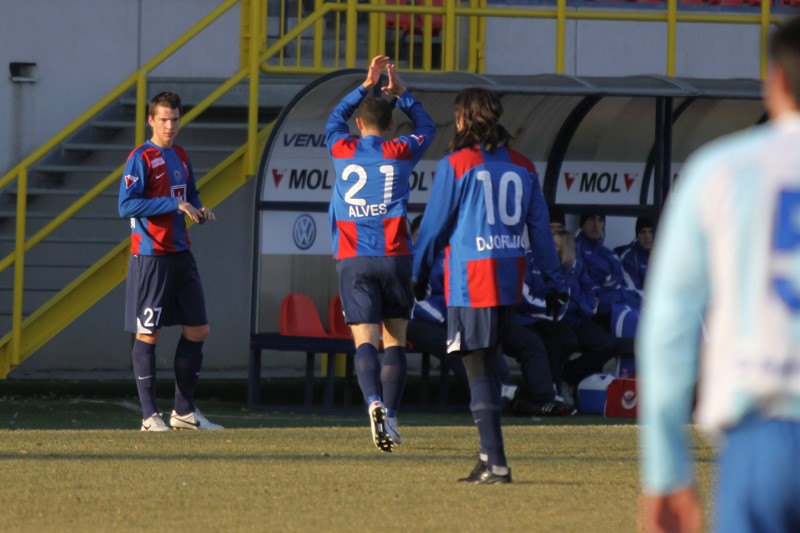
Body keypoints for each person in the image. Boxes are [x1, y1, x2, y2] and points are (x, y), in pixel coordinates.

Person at [638, 17, 800, 533]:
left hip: (766, 437)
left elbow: (668, 326)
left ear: (776, 81)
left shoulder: (721, 170)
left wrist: (666, 470)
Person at [412, 87, 568, 484]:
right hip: (508, 280)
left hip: (472, 280)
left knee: (477, 368)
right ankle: (488, 458)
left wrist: (417, 275)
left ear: (462, 119)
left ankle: (496, 463)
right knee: (487, 365)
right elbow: (541, 233)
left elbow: (432, 229)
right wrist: (555, 283)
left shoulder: (456, 164)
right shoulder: (524, 166)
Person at [326, 55, 434, 452]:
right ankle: (391, 414)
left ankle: (372, 402)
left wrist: (365, 85)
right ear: (390, 127)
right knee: (396, 340)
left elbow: (334, 118)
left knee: (365, 341)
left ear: (359, 125)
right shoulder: (401, 150)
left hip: (354, 257)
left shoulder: (341, 147)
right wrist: (401, 93)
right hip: (395, 255)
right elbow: (426, 127)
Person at [118, 91, 223, 431]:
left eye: (175, 119)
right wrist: (172, 204)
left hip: (181, 253)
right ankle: (150, 416)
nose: (169, 126)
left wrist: (199, 208)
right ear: (151, 120)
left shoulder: (180, 154)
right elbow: (126, 205)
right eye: (163, 120)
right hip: (152, 257)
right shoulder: (141, 157)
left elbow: (190, 194)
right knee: (148, 334)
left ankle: (184, 413)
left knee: (199, 329)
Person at [520, 231, 617, 405]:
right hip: (553, 318)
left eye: (557, 246)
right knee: (564, 341)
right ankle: (554, 385)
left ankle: (568, 377)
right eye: (552, 244)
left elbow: (587, 287)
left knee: (607, 344)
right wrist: (554, 310)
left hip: (577, 316)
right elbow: (548, 296)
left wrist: (589, 307)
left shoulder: (575, 263)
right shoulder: (535, 259)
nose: (553, 248)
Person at [616, 216, 654, 297]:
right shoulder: (627, 257)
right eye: (643, 232)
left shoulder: (666, 254)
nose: (647, 236)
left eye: (651, 232)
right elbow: (633, 291)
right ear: (637, 235)